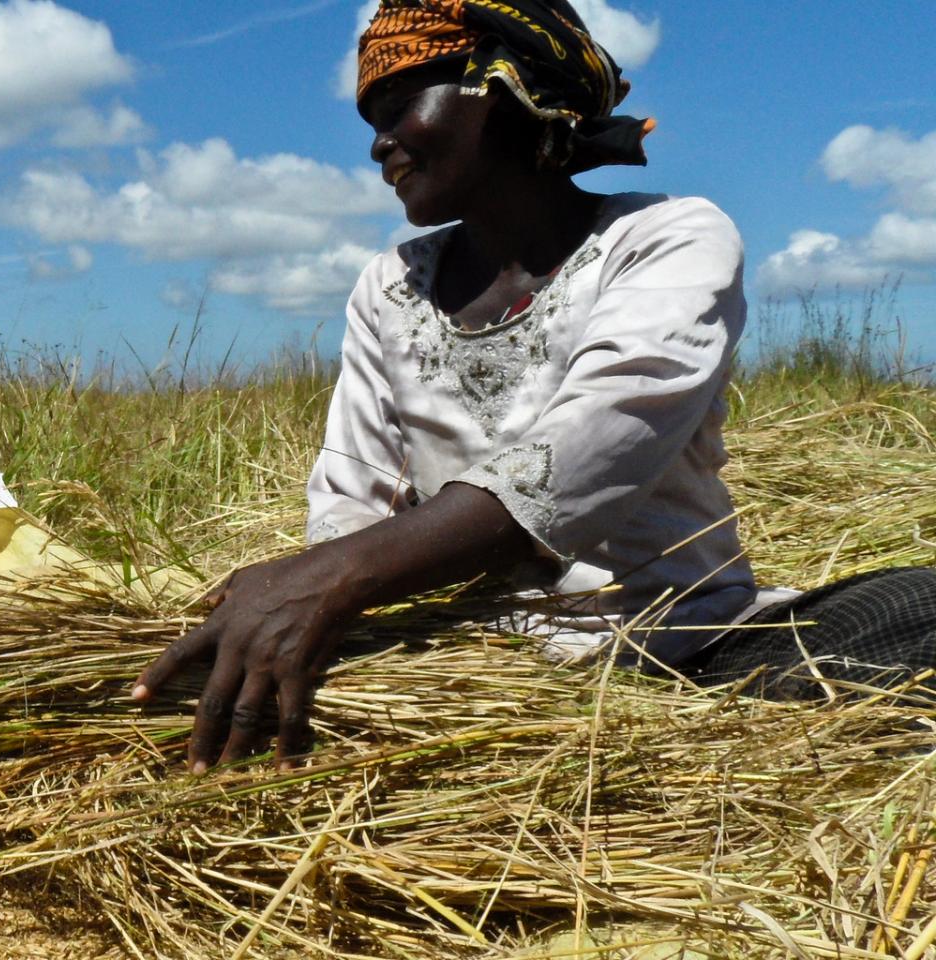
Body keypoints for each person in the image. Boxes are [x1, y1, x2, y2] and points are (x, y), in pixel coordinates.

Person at [131, 0, 936, 774]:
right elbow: (350, 499)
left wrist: (331, 579)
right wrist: (328, 591)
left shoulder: (665, 241)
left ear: (505, 87)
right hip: (473, 664)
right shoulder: (392, 284)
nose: (380, 145)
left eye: (401, 105)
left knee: (912, 613)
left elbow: (585, 459)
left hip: (687, 650)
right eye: (371, 122)